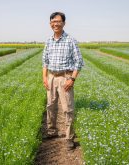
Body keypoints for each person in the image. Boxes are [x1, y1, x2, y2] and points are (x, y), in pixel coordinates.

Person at [42, 11, 84, 150]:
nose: (56, 24)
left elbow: (79, 62)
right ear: (50, 24)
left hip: (66, 77)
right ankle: (51, 132)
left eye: (58, 21)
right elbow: (45, 62)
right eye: (53, 22)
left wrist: (72, 79)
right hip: (52, 77)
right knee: (50, 106)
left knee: (67, 108)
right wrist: (45, 78)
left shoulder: (70, 40)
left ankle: (69, 138)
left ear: (64, 23)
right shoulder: (48, 41)